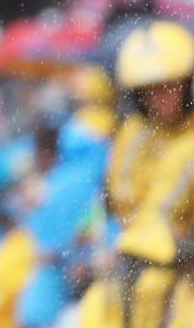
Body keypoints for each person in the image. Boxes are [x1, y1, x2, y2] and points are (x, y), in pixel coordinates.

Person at [77, 21, 194, 328]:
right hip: (130, 266)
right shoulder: (131, 133)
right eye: (149, 90)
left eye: (168, 86)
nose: (159, 97)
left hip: (181, 273)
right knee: (95, 307)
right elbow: (114, 201)